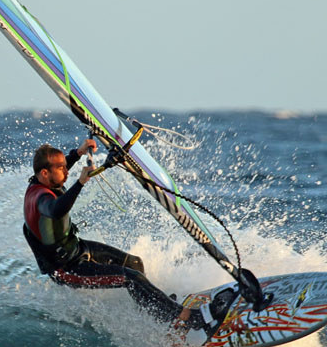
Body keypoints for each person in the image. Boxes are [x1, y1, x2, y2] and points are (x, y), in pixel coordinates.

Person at [22, 140, 231, 333]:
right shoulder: (40, 198)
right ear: (44, 174)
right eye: (61, 169)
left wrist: (77, 153)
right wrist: (80, 182)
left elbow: (58, 170)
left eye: (65, 167)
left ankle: (157, 312)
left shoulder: (43, 180)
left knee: (134, 264)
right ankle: (188, 319)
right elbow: (56, 209)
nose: (66, 171)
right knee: (131, 278)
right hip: (66, 268)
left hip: (76, 249)